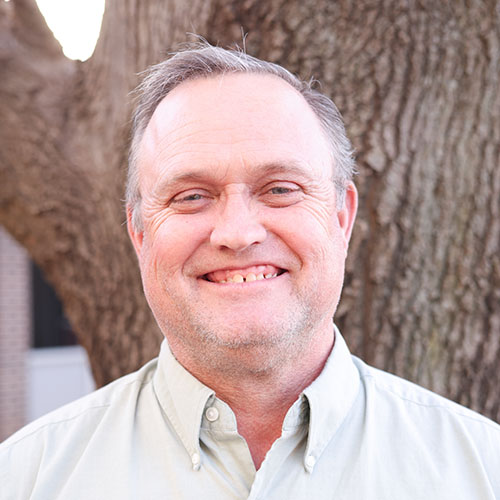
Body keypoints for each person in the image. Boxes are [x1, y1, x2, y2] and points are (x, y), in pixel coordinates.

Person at [1, 44, 499, 500]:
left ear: (341, 218)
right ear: (140, 234)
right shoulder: (26, 479)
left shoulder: (482, 470)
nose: (237, 233)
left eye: (280, 188)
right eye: (191, 196)